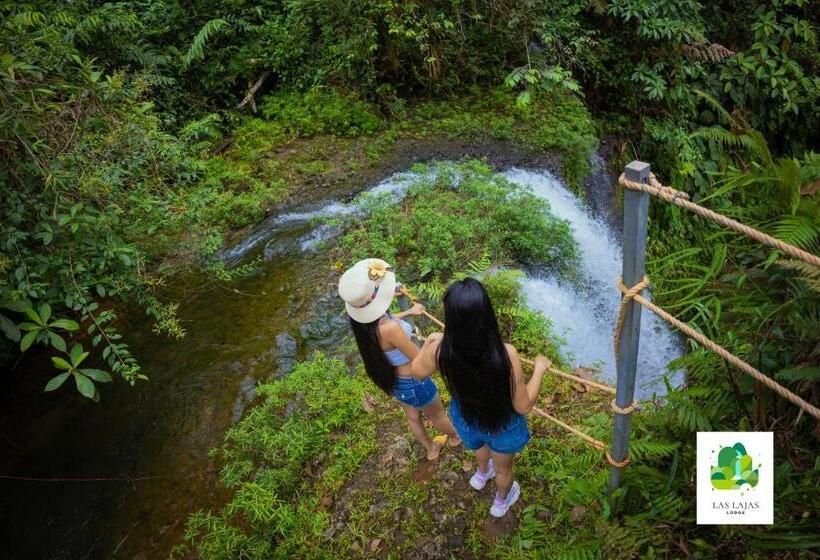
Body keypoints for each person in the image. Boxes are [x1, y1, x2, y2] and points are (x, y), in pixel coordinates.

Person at [412, 277, 552, 517]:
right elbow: (523, 406)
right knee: (504, 470)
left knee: (478, 446)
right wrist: (539, 369)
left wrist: (432, 341)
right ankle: (500, 502)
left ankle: (481, 473)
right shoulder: (506, 354)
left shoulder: (440, 349)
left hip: (465, 419)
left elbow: (416, 371)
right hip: (501, 424)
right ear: (486, 314)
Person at [338, 258, 461, 460]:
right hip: (414, 381)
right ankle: (455, 438)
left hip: (396, 381)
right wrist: (433, 341)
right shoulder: (391, 329)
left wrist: (409, 312)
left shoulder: (362, 324)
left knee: (412, 416)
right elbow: (419, 359)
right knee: (437, 415)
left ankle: (431, 449)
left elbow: (385, 320)